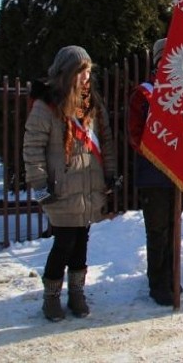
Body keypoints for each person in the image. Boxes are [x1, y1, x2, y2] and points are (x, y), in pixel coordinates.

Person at [24, 46, 116, 322]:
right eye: (82, 71)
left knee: (82, 242)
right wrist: (40, 184)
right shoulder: (46, 106)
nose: (87, 76)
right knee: (63, 243)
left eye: (89, 71)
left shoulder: (91, 104)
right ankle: (51, 296)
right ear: (67, 73)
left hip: (89, 187)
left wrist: (109, 174)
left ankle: (76, 293)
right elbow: (33, 148)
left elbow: (106, 141)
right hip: (61, 188)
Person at [128, 39, 182, 305]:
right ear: (156, 62)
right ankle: (157, 282)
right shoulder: (144, 94)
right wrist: (160, 153)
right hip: (153, 174)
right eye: (163, 60)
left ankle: (172, 276)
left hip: (177, 175)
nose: (166, 66)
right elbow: (135, 135)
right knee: (157, 230)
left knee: (174, 228)